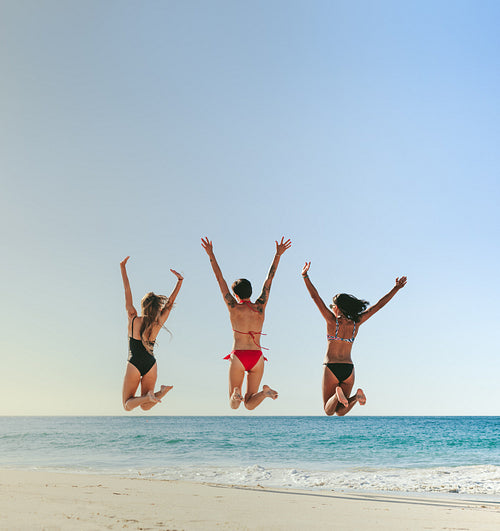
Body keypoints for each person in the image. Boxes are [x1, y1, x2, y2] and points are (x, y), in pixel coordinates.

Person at [302, 262, 407, 416]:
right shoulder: (356, 323)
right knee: (341, 412)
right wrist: (396, 289)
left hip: (331, 367)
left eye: (333, 305)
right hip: (348, 368)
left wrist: (305, 276)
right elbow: (378, 306)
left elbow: (314, 297)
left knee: (329, 410)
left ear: (338, 307)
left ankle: (338, 393)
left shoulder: (332, 322)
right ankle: (356, 397)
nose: (331, 307)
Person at [201, 237, 291, 410]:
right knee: (249, 404)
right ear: (251, 291)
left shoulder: (233, 307)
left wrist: (211, 254)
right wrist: (278, 254)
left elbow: (220, 280)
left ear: (235, 295)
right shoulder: (260, 307)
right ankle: (264, 393)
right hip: (257, 356)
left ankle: (236, 393)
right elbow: (269, 280)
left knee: (234, 405)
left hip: (239, 356)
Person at [120, 256, 183, 411]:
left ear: (143, 306)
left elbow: (127, 290)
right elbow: (169, 304)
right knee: (146, 407)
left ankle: (150, 395)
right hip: (150, 363)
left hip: (134, 362)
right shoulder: (158, 322)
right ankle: (160, 392)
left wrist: (123, 267)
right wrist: (179, 281)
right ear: (156, 308)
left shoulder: (133, 318)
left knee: (127, 405)